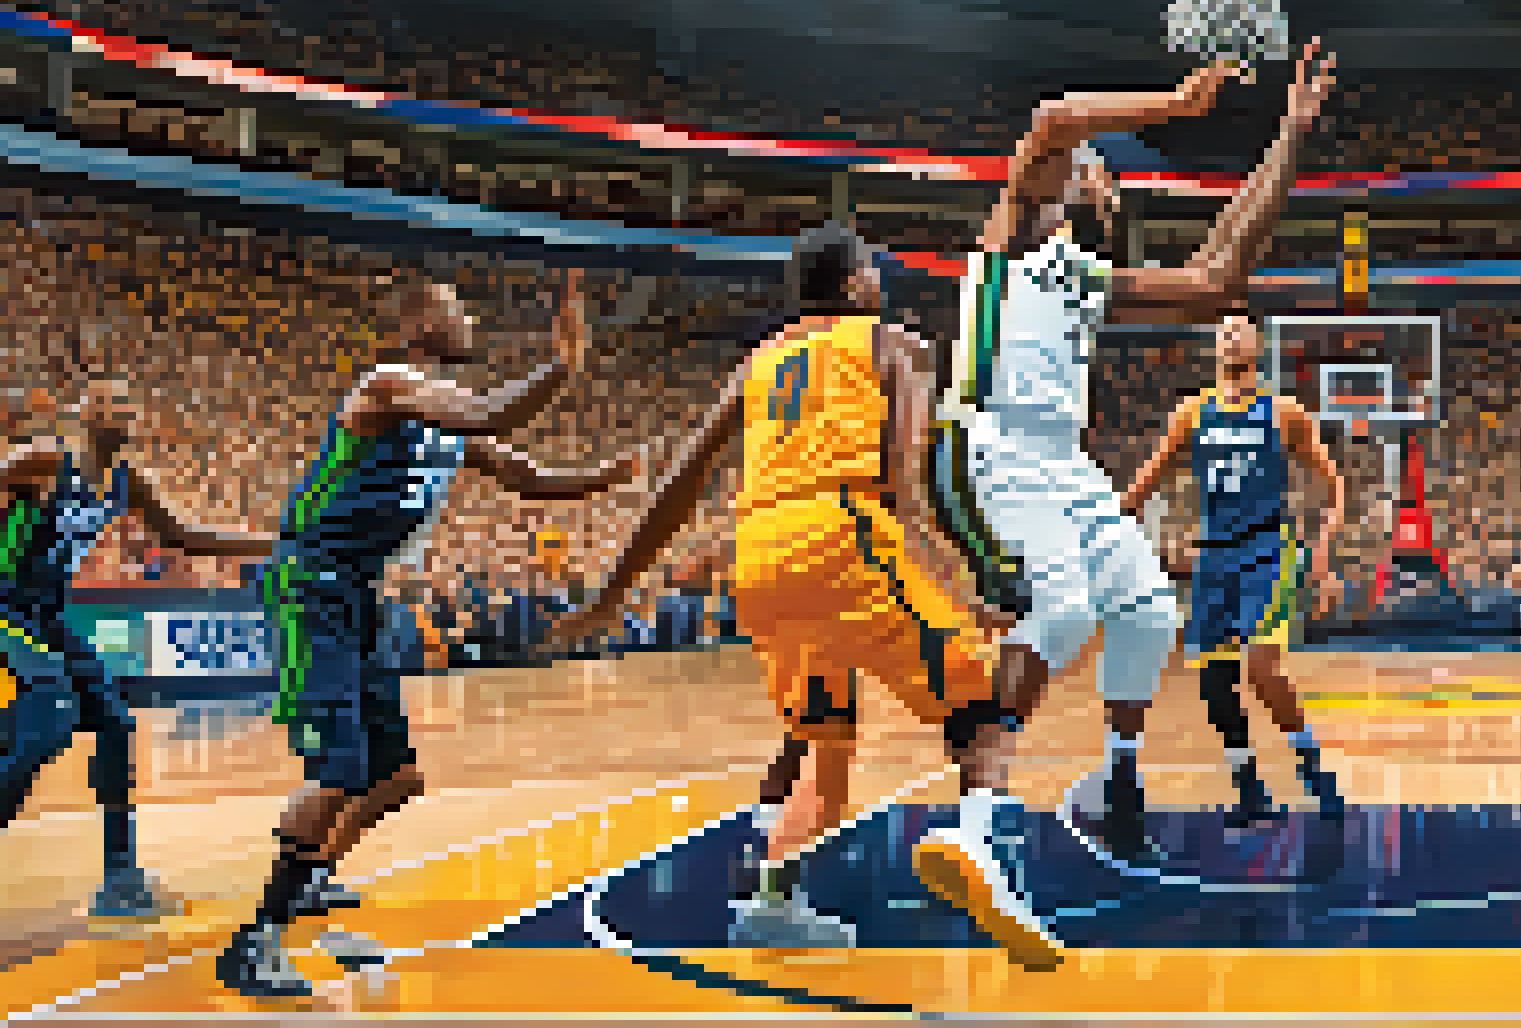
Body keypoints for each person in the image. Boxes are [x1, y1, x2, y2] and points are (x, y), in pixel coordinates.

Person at [912, 43, 1337, 967]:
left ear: (1110, 211)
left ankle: (1117, 782)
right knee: (1062, 609)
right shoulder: (1018, 236)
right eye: (1092, 166)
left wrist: (1290, 139)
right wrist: (1178, 106)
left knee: (1147, 612)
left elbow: (1219, 277)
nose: (1093, 165)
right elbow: (1058, 117)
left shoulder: (1093, 288)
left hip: (1062, 468)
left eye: (1104, 172)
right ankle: (976, 830)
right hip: (987, 443)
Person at [551, 224, 1017, 956]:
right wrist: (962, 589)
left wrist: (612, 593)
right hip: (844, 533)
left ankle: (772, 903)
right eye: (872, 269)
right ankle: (982, 851)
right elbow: (902, 486)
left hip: (762, 555)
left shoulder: (758, 362)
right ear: (856, 284)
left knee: (823, 746)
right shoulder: (897, 346)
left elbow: (682, 483)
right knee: (983, 719)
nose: (879, 279)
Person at [219, 274, 641, 999]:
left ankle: (309, 875)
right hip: (311, 581)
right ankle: (255, 939)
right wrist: (562, 367)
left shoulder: (447, 428)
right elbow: (491, 416)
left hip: (358, 591)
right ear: (418, 326)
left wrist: (604, 479)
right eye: (455, 311)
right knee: (339, 773)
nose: (468, 321)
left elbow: (525, 476)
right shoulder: (390, 387)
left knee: (396, 777)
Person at [0, 380, 280, 917]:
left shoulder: (128, 482)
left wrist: (283, 539)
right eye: (109, 402)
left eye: (129, 403)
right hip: (7, 609)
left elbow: (187, 538)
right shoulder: (42, 462)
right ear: (83, 413)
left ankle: (121, 878)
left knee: (117, 724)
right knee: (49, 727)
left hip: (52, 615)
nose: (122, 410)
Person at [1117, 312, 1347, 826]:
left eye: (1240, 329)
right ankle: (1249, 786)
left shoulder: (1283, 412)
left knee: (1261, 662)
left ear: (1257, 344)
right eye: (1223, 330)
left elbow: (1333, 485)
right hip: (1213, 559)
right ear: (1213, 347)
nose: (1231, 335)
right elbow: (1145, 483)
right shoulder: (1191, 413)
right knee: (1215, 681)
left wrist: (1323, 554)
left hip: (1268, 551)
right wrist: (1103, 528)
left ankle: (1309, 763)